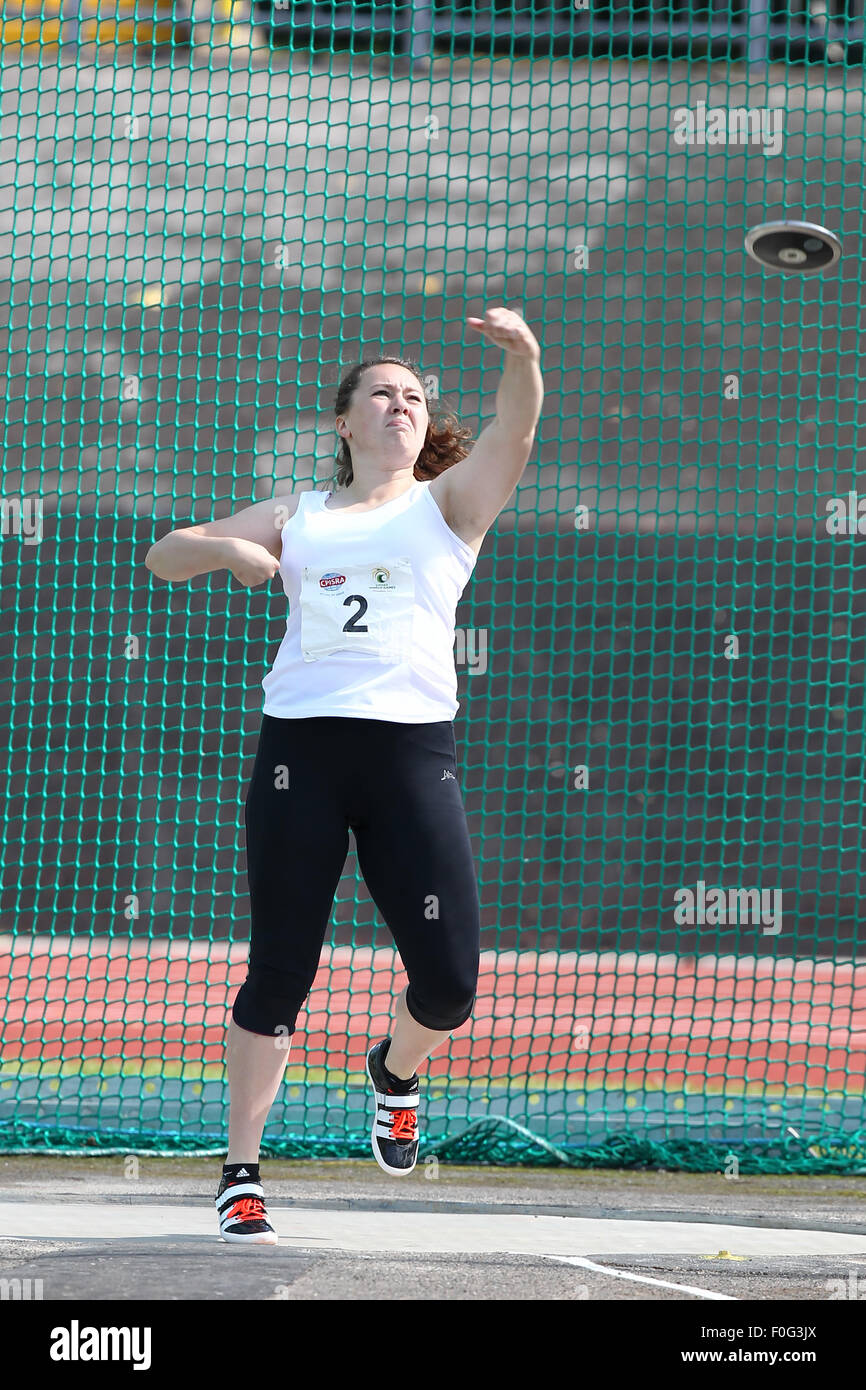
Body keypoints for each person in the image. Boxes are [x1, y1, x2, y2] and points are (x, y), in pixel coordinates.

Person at [145, 306, 543, 1243]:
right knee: (280, 969)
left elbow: (514, 429)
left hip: (411, 758)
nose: (402, 405)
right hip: (303, 756)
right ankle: (240, 1175)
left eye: (414, 396)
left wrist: (523, 356)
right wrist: (230, 549)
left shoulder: (448, 506)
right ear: (344, 420)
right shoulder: (300, 515)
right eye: (382, 393)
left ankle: (396, 1074)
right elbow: (164, 556)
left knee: (448, 985)